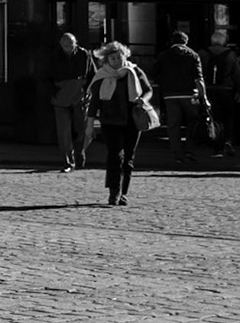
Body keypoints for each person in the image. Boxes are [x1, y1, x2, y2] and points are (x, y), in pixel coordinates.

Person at [86, 41, 153, 206]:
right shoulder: (102, 76)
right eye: (112, 58)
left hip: (132, 121)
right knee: (115, 156)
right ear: (107, 60)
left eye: (119, 57)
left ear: (125, 56)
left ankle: (124, 193)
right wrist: (89, 125)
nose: (116, 61)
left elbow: (148, 90)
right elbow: (94, 103)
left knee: (129, 157)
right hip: (110, 121)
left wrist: (143, 100)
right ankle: (113, 192)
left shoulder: (134, 71)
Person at [155, 30, 210, 166]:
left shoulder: (163, 56)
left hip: (170, 94)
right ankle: (190, 150)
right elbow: (198, 78)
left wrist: (163, 84)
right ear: (186, 41)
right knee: (193, 122)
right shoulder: (193, 55)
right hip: (189, 93)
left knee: (173, 124)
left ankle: (177, 152)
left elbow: (154, 72)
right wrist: (204, 97)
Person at [48, 31, 94, 172]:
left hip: (79, 95)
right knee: (64, 131)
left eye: (71, 45)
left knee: (81, 128)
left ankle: (80, 154)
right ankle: (67, 162)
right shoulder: (54, 56)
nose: (68, 48)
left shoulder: (84, 54)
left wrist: (88, 91)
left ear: (76, 44)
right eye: (65, 46)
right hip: (61, 96)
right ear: (61, 45)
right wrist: (54, 92)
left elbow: (92, 74)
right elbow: (46, 76)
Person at [208, 39, 239, 160]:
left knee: (215, 118)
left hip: (210, 89)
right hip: (227, 89)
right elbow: (237, 74)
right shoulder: (231, 55)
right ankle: (228, 140)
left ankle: (217, 148)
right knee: (228, 117)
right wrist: (238, 90)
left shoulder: (203, 53)